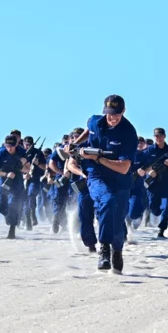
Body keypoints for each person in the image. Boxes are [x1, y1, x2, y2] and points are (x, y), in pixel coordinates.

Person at [71, 94, 138, 273]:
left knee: (117, 219)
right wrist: (75, 144)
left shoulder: (129, 133)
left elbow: (124, 167)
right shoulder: (95, 121)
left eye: (116, 114)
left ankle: (117, 250)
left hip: (120, 179)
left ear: (123, 111)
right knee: (107, 201)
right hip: (96, 175)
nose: (112, 117)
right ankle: (104, 249)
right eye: (109, 113)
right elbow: (89, 129)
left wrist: (98, 157)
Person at [140, 127, 168, 238]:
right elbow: (142, 167)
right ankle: (159, 215)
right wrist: (149, 171)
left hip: (166, 182)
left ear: (164, 136)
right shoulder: (149, 150)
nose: (159, 138)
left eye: (161, 136)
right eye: (156, 136)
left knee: (166, 206)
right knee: (155, 209)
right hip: (153, 184)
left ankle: (162, 229)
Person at [0, 134, 29, 238]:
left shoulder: (22, 152)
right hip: (2, 178)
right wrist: (5, 174)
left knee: (14, 203)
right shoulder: (0, 153)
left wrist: (20, 167)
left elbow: (28, 169)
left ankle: (12, 228)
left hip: (16, 179)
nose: (10, 148)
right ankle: (8, 216)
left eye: (12, 145)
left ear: (16, 144)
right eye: (8, 145)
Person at [66, 132, 98, 253]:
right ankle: (91, 245)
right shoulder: (80, 147)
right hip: (86, 186)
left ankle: (108, 243)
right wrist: (82, 173)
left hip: (104, 183)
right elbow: (71, 165)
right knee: (85, 214)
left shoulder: (106, 142)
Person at [22, 136, 46, 228]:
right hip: (22, 178)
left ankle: (32, 214)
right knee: (24, 199)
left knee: (31, 194)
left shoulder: (38, 153)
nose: (28, 146)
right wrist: (24, 175)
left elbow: (45, 167)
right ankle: (27, 218)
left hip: (35, 178)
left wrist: (38, 164)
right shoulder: (20, 153)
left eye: (30, 144)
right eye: (26, 144)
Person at [126, 136, 149, 232]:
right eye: (137, 142)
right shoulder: (128, 154)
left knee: (135, 211)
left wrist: (144, 170)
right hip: (125, 186)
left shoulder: (145, 155)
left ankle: (130, 223)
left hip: (138, 187)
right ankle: (126, 229)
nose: (139, 144)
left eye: (141, 142)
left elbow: (150, 167)